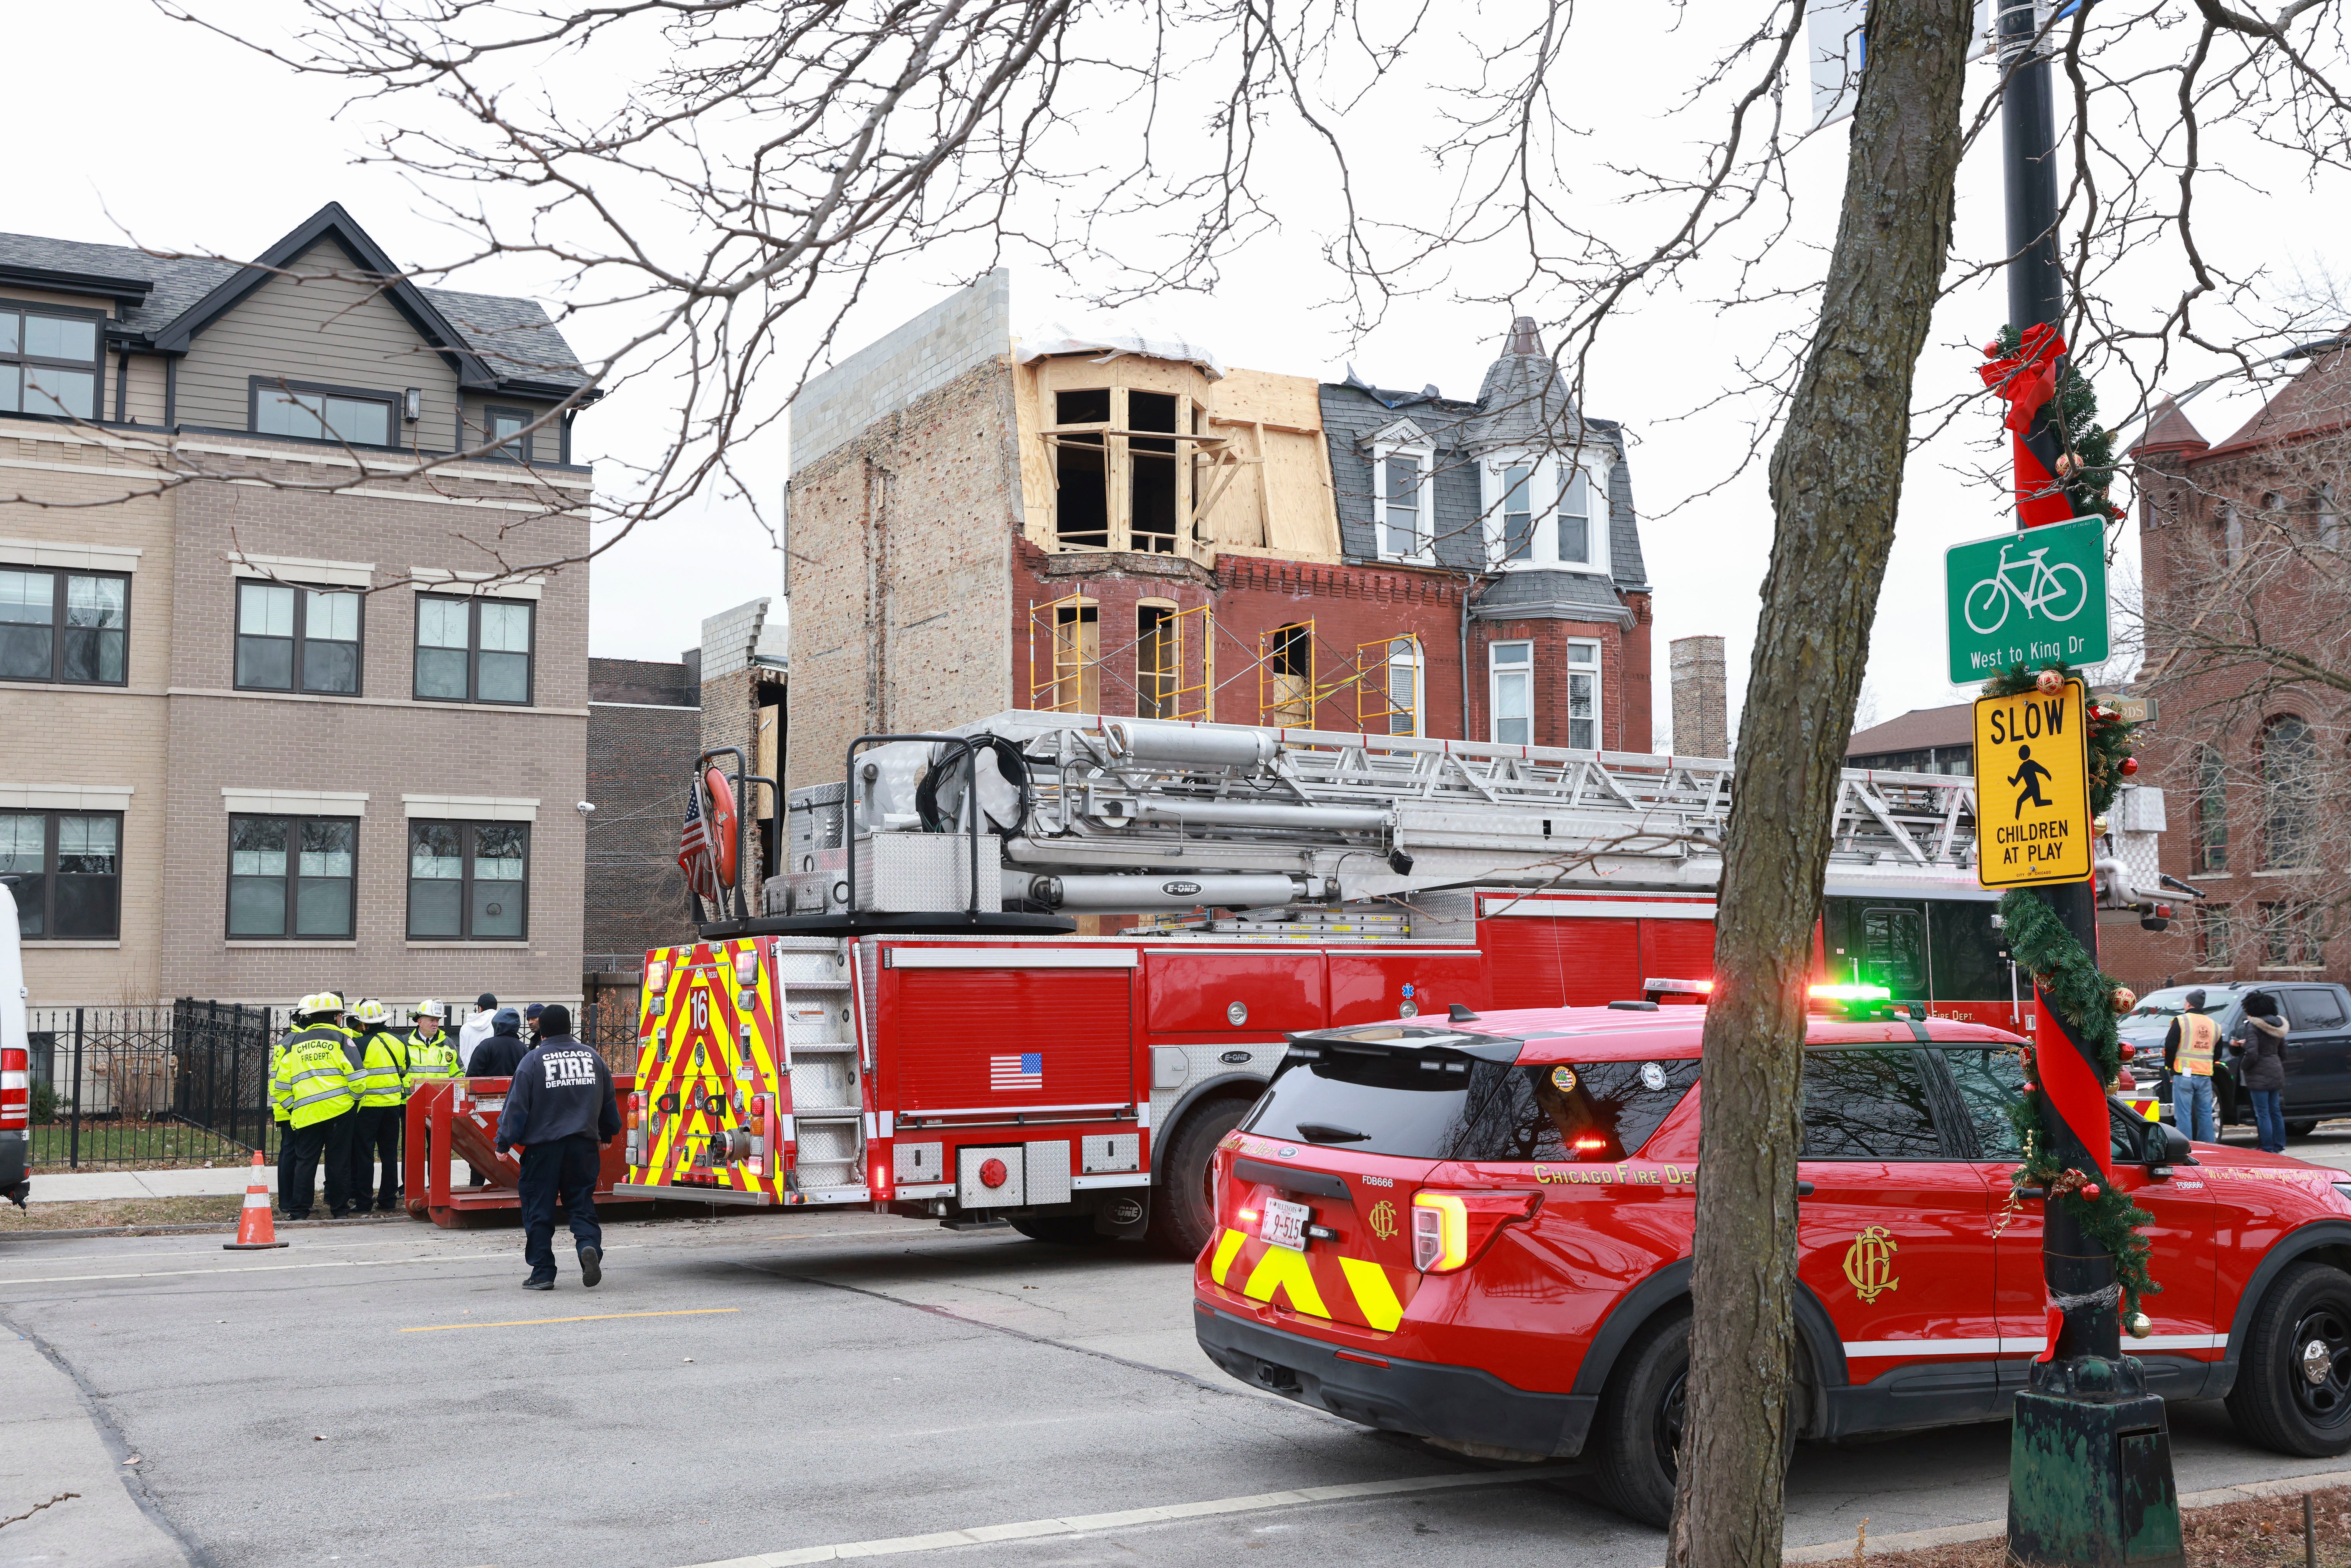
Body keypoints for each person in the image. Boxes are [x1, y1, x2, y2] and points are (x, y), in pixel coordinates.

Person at [494, 1004, 619, 1290]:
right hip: (583, 1147)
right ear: (569, 1027)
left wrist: (504, 1141)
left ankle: (543, 1272)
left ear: (543, 1030)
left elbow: (517, 1106)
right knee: (581, 1204)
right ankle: (589, 1247)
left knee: (539, 1208)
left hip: (544, 1150)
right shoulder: (593, 1057)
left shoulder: (533, 1060)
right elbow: (608, 1099)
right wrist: (607, 1131)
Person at [272, 993, 360, 1220]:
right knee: (339, 1162)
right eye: (340, 1015)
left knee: (305, 1162)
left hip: (306, 1114)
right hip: (339, 1112)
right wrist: (354, 1102)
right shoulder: (342, 1039)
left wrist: (294, 1107)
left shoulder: (294, 1043)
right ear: (336, 1017)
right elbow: (358, 1078)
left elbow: (280, 1086)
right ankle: (340, 1210)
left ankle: (299, 1210)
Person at [346, 1000, 410, 1214]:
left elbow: (353, 1073)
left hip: (367, 1108)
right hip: (392, 1106)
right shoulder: (399, 1041)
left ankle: (364, 1201)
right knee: (390, 1154)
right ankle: (388, 1200)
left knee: (365, 1155)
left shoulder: (361, 1044)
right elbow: (404, 1068)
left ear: (364, 1025)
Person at [2162, 988, 2223, 1143]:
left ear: (2189, 1004)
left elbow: (2170, 1046)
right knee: (2205, 1113)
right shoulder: (2214, 1025)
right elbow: (2218, 1053)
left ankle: (2186, 1149)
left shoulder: (2182, 1021)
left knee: (2183, 1114)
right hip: (2205, 1075)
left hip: (2183, 1075)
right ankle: (2209, 1148)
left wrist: (2170, 1066)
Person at [2238, 990, 2291, 1154]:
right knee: (2275, 1110)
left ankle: (2267, 1147)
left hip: (2258, 1074)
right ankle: (2279, 1146)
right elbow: (2284, 1053)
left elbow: (2252, 1053)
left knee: (2262, 1113)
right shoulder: (2279, 1026)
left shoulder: (2253, 1027)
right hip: (2276, 1071)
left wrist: (2244, 1066)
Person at [467, 1008, 532, 1079]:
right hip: (516, 1090)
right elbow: (529, 1076)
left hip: (488, 1089)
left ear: (496, 1025)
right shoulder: (524, 1049)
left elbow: (472, 1077)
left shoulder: (486, 1046)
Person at [457, 992, 500, 1072]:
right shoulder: (500, 1025)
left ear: (480, 1008)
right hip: (494, 1075)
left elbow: (463, 1056)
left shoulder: (466, 1027)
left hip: (472, 1075)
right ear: (496, 1007)